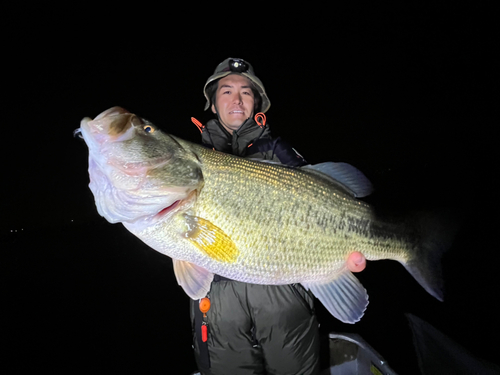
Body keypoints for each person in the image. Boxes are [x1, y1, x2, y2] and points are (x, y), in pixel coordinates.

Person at [190, 57, 366, 375]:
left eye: (246, 92)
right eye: (226, 91)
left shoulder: (282, 154)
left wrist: (338, 252)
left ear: (257, 102)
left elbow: (322, 206)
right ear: (213, 105)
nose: (237, 99)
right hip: (218, 305)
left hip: (284, 298)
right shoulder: (191, 161)